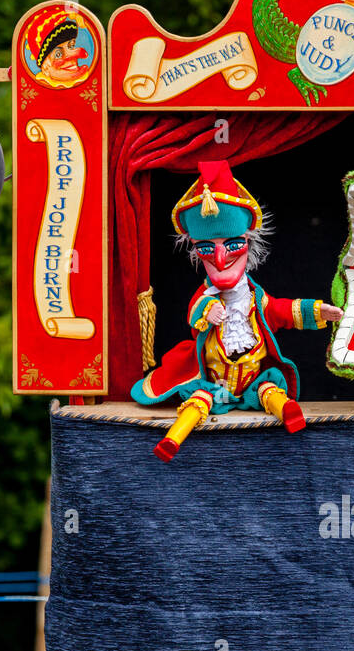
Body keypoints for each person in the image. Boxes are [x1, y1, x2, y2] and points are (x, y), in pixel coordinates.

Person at [131, 161, 342, 441]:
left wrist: (317, 311)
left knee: (269, 391)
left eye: (232, 245)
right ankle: (174, 438)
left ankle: (288, 414)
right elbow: (194, 316)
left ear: (248, 243)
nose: (220, 258)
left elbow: (280, 310)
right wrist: (208, 312)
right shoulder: (205, 297)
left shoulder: (256, 298)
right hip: (216, 383)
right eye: (207, 248)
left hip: (252, 380)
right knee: (200, 400)